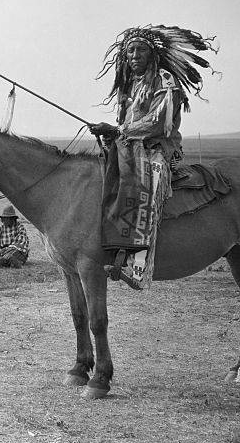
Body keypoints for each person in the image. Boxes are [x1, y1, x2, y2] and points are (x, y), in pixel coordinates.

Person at [89, 25, 217, 289]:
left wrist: (118, 130)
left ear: (152, 54)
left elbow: (159, 122)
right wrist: (113, 135)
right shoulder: (130, 85)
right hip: (130, 147)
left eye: (140, 50)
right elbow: (126, 123)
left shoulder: (165, 80)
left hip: (158, 149)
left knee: (148, 181)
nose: (134, 55)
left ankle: (139, 263)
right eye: (130, 51)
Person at [0, 204, 30, 269]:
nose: (2, 221)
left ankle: (7, 260)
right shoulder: (0, 228)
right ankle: (8, 261)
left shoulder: (20, 227)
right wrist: (0, 251)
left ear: (12, 219)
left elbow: (21, 244)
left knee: (15, 253)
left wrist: (6, 249)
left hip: (16, 251)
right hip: (2, 252)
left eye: (5, 218)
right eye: (3, 218)